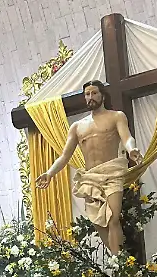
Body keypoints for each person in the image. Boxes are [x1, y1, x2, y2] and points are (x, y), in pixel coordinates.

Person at [35, 80, 143, 254]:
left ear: (102, 95)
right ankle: (120, 258)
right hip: (90, 178)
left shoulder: (116, 116)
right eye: (87, 94)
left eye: (94, 93)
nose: (90, 97)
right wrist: (49, 173)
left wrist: (132, 149)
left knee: (113, 217)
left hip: (112, 173)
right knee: (98, 222)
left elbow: (127, 137)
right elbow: (64, 156)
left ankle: (118, 266)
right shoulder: (77, 127)